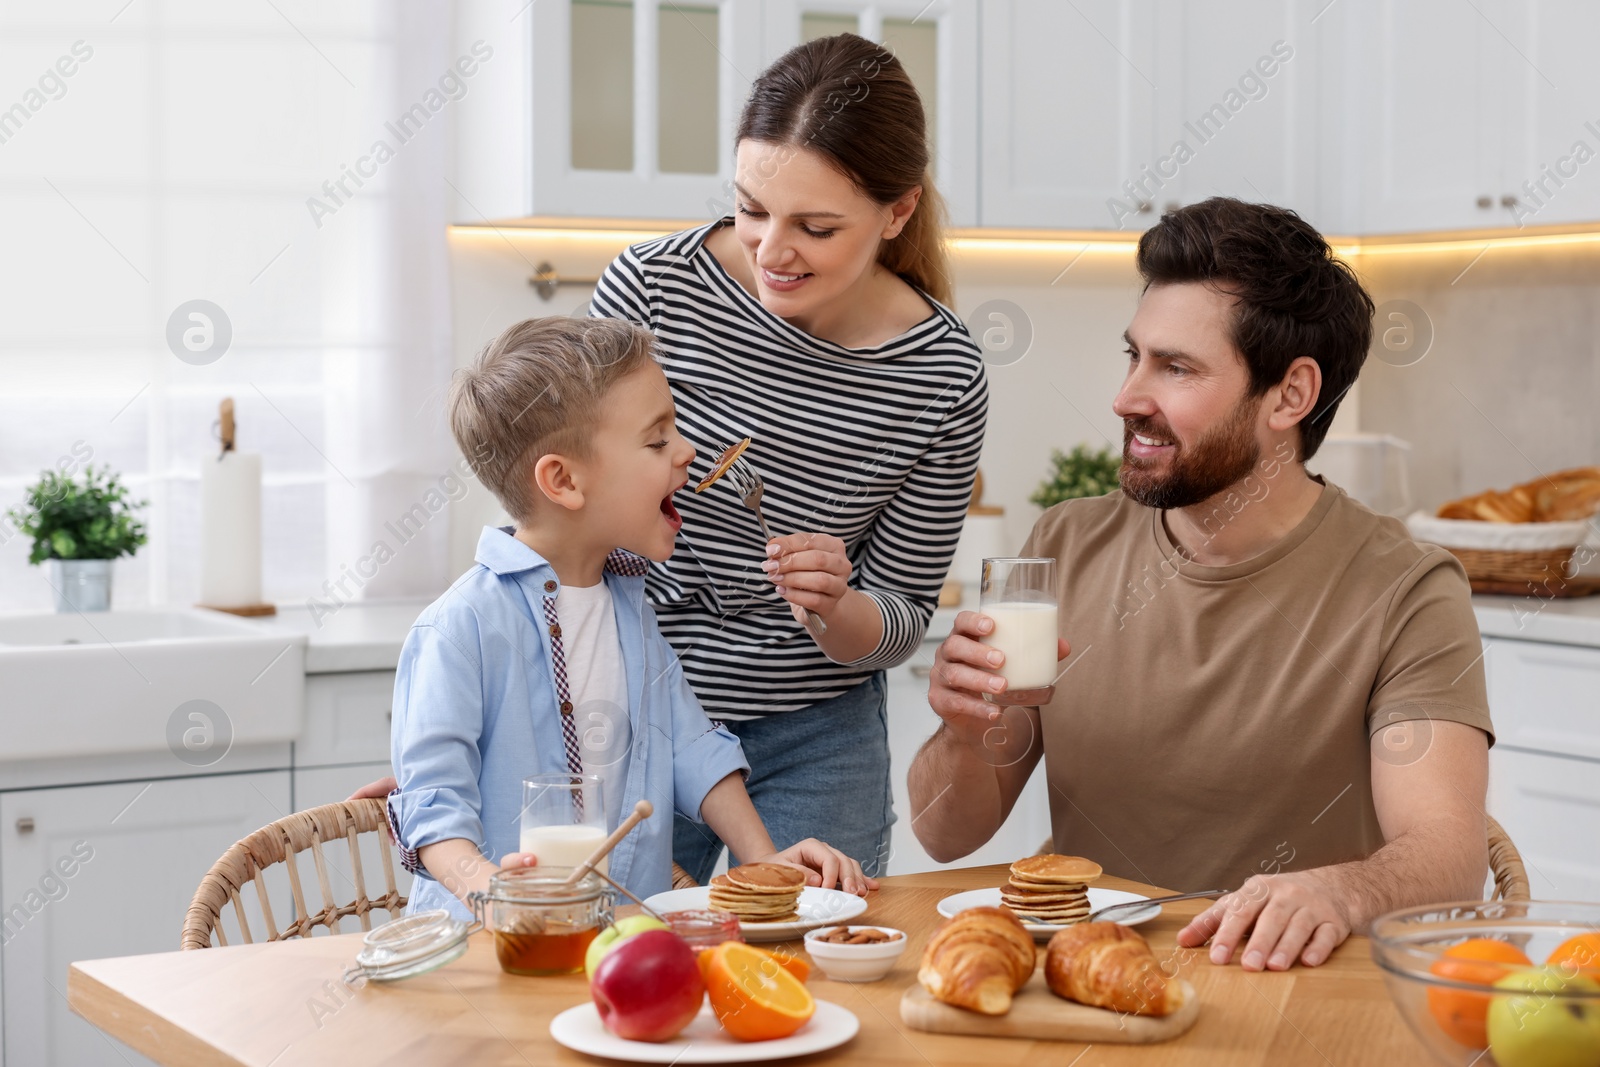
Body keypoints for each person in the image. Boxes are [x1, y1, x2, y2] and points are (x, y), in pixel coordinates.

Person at [908, 198, 1494, 973]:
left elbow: (1449, 858)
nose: (1127, 397)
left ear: (1290, 395)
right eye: (1134, 356)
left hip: (1297, 1001)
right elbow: (946, 835)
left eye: (1176, 367)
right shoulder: (1063, 546)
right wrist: (962, 728)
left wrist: (1342, 892)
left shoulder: (1408, 590)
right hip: (1102, 986)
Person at [585, 33, 987, 884]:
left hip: (819, 735)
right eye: (752, 209)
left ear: (898, 213)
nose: (771, 250)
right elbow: (560, 522)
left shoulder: (942, 375)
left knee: (812, 975)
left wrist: (834, 609)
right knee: (623, 969)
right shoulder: (652, 289)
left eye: (816, 226)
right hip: (640, 709)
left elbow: (904, 613)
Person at [387, 316, 873, 920]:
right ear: (564, 480)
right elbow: (434, 804)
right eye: (657, 440)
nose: (688, 452)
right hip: (485, 954)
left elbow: (693, 744)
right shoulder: (461, 629)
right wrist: (488, 890)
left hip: (615, 943)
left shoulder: (628, 607)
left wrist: (762, 859)